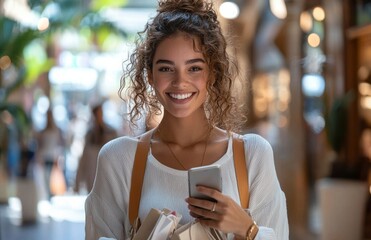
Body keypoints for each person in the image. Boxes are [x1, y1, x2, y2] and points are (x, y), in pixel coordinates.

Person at [85, 0, 289, 239]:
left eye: (194, 68)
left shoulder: (252, 155)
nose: (180, 82)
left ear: (212, 73)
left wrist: (247, 228)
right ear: (150, 75)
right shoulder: (119, 159)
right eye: (165, 68)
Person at [74, 103, 118, 193]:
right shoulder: (89, 134)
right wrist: (78, 182)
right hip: (91, 174)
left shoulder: (111, 132)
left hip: (107, 175)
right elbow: (84, 157)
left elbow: (117, 156)